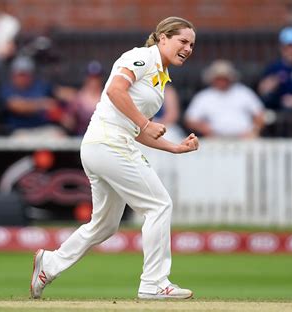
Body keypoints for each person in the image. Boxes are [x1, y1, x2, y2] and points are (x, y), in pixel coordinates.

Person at [30, 16, 199, 300]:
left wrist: (175, 147)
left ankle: (50, 263)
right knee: (159, 205)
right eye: (183, 41)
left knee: (105, 225)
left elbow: (136, 129)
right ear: (163, 38)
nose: (188, 48)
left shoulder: (160, 80)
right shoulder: (142, 57)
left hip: (106, 146)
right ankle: (154, 283)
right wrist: (146, 124)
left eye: (192, 44)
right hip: (108, 144)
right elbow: (114, 91)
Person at [184, 59, 265, 138]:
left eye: (224, 78)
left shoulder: (244, 92)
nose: (222, 81)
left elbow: (260, 115)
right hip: (215, 140)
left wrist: (254, 131)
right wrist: (204, 129)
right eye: (219, 78)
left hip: (244, 138)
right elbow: (190, 120)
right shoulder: (204, 96)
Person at [0, 56, 66, 138]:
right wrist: (43, 105)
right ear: (13, 74)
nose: (23, 78)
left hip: (43, 129)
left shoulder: (39, 85)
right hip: (20, 131)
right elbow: (16, 106)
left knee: (59, 135)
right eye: (20, 74)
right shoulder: (8, 88)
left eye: (26, 74)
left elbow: (60, 92)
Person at [59, 60, 104, 136]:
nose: (94, 81)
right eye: (91, 77)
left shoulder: (107, 96)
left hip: (102, 137)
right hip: (81, 137)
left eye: (96, 77)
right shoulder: (78, 99)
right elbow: (69, 123)